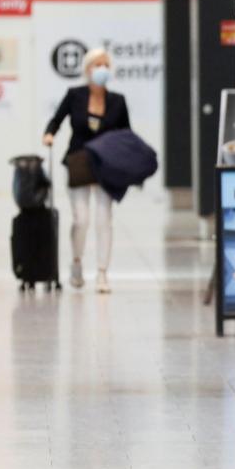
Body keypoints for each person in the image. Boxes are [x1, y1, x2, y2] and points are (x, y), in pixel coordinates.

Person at [43, 48, 131, 293]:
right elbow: (57, 119)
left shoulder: (117, 101)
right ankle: (77, 262)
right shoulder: (75, 95)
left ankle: (102, 272)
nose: (101, 69)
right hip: (79, 161)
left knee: (104, 219)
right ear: (87, 69)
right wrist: (49, 134)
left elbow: (126, 135)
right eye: (96, 64)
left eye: (105, 64)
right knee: (81, 219)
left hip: (107, 165)